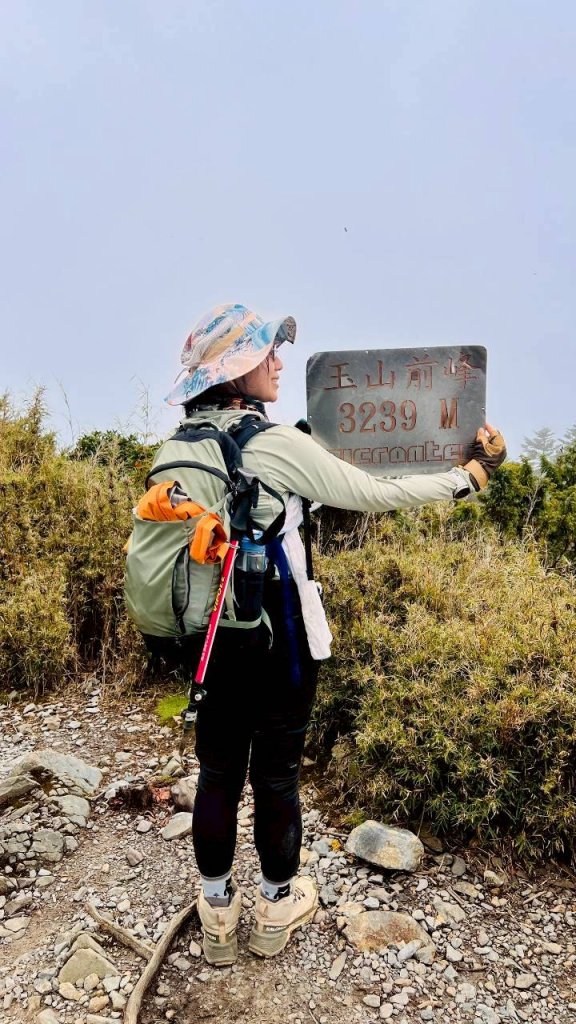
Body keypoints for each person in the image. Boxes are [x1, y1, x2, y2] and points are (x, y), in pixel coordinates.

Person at [162, 303, 506, 965]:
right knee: (278, 778)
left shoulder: (178, 447)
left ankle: (216, 913)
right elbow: (371, 491)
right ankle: (274, 911)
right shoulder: (274, 445)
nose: (280, 363)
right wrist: (469, 478)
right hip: (276, 631)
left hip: (204, 639)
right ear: (237, 372)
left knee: (218, 772)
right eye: (268, 355)